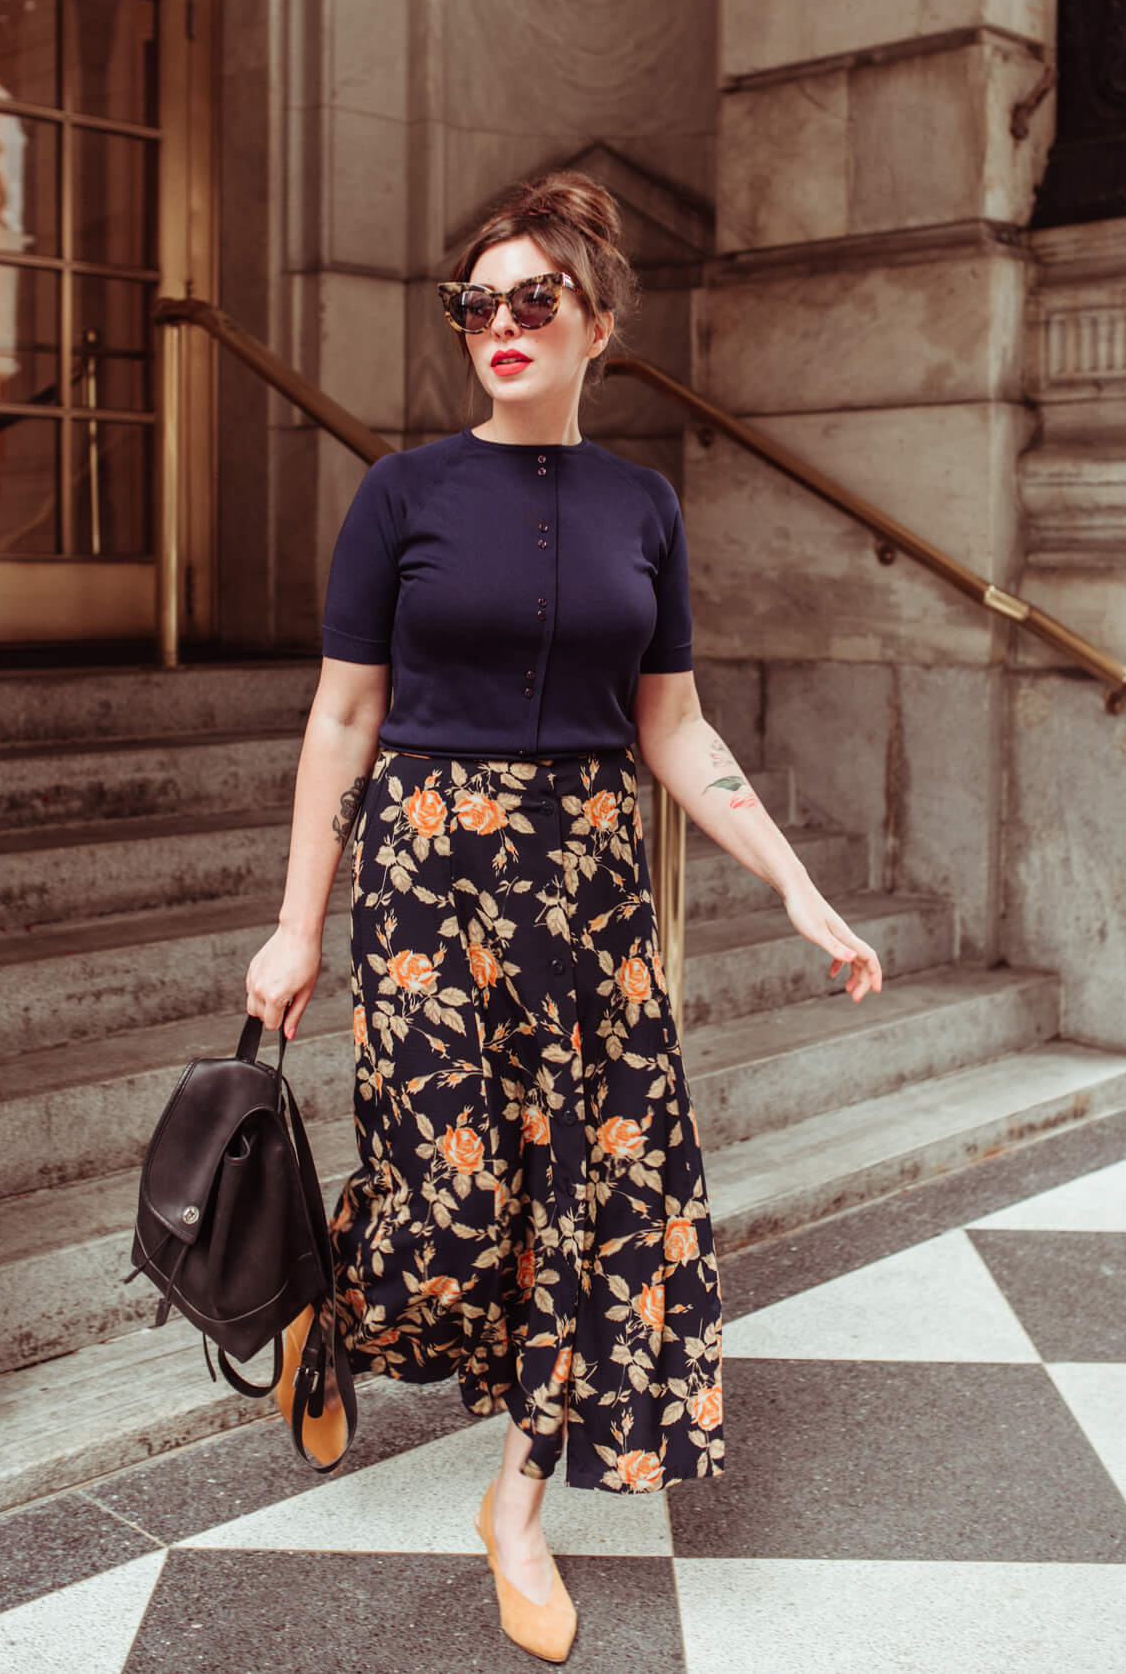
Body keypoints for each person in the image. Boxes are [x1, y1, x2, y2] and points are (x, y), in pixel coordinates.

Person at [245, 170, 883, 1663]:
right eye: (477, 302)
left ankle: (519, 1506)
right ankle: (329, 1302)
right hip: (426, 883)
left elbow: (678, 729)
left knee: (592, 1215)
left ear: (599, 322)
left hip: (589, 886)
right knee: (449, 1205)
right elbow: (343, 721)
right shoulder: (402, 493)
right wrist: (293, 924)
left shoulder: (643, 506)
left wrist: (796, 884)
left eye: (536, 299)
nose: (501, 325)